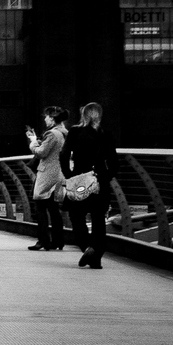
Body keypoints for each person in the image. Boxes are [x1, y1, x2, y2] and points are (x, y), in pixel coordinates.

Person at [62, 101, 116, 269]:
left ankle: (86, 247)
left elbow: (64, 154)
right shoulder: (106, 134)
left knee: (76, 217)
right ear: (99, 115)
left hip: (79, 179)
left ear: (83, 114)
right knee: (99, 219)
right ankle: (96, 256)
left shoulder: (75, 131)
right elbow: (114, 162)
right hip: (100, 181)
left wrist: (69, 175)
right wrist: (104, 177)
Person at [24, 106, 69, 250]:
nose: (45, 119)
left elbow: (42, 153)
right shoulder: (65, 133)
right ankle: (58, 241)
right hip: (59, 173)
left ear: (52, 118)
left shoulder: (52, 134)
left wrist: (32, 143)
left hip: (48, 174)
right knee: (53, 208)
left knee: (40, 207)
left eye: (46, 117)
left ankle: (43, 240)